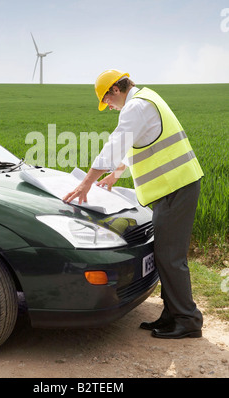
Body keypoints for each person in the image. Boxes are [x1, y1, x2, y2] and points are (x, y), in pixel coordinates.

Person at [63, 69, 204, 339]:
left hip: (177, 187)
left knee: (170, 257)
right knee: (163, 253)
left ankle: (188, 319)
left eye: (107, 101)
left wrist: (87, 182)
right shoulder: (146, 99)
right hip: (173, 188)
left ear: (115, 90)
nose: (109, 107)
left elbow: (115, 145)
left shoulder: (135, 107)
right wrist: (115, 175)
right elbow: (136, 146)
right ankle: (172, 314)